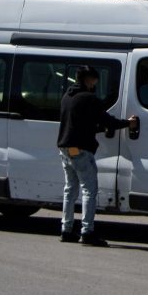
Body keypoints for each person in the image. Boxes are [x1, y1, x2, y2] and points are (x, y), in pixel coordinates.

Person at [57, 66, 138, 246]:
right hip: (80, 150)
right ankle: (87, 232)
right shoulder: (89, 98)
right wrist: (128, 124)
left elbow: (80, 123)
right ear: (88, 80)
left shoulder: (67, 97)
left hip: (65, 148)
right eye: (94, 81)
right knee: (89, 190)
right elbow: (106, 120)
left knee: (70, 189)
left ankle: (66, 229)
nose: (95, 85)